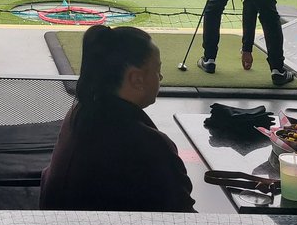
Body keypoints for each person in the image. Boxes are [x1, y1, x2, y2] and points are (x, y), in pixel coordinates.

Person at [40, 25, 195, 212]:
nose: (160, 76)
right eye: (157, 69)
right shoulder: (151, 146)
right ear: (136, 79)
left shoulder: (80, 112)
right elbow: (186, 218)